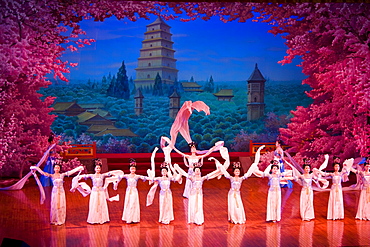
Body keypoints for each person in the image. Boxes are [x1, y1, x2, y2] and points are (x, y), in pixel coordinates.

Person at [217, 145, 264, 224]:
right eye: (236, 171)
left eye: (238, 172)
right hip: (232, 193)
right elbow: (225, 173)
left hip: (237, 193)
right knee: (232, 205)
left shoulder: (241, 178)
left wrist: (256, 158)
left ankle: (239, 218)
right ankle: (233, 218)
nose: (237, 173)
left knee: (238, 205)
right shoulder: (231, 178)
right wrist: (219, 165)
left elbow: (249, 172)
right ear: (234, 172)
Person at [79, 159, 112, 224]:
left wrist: (115, 174)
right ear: (94, 169)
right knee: (94, 204)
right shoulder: (92, 175)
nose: (98, 169)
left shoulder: (102, 175)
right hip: (94, 192)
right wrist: (80, 177)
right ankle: (94, 219)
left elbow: (109, 174)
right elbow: (85, 176)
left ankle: (102, 218)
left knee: (101, 204)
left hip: (101, 192)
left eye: (99, 168)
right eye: (97, 168)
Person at [121, 158, 148, 224]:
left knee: (133, 203)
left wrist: (151, 178)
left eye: (134, 169)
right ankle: (128, 218)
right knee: (128, 203)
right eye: (131, 169)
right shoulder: (127, 176)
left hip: (134, 191)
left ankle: (134, 218)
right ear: (129, 169)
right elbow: (119, 177)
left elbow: (144, 178)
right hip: (128, 191)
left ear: (135, 169)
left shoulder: (137, 176)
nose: (132, 170)